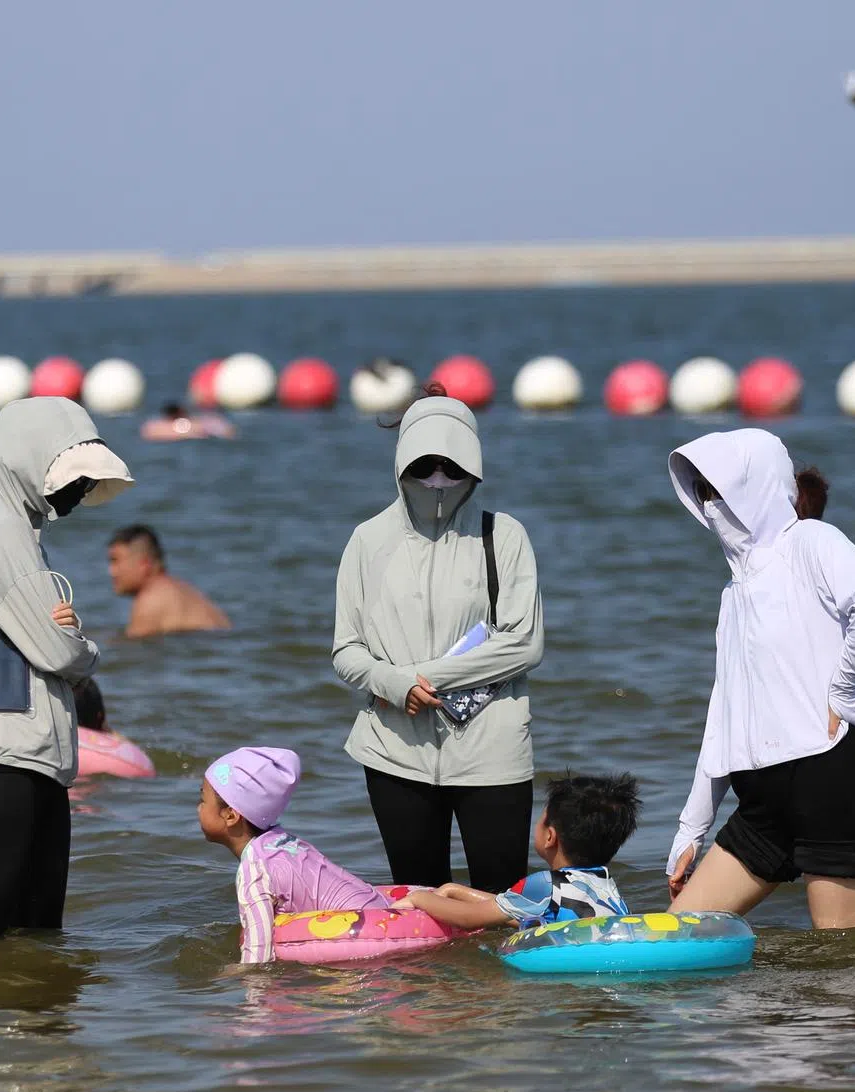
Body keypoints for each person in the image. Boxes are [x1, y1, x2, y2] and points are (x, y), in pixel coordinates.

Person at [664, 429, 855, 930]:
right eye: (703, 493)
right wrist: (692, 828)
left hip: (834, 778)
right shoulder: (733, 594)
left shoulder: (809, 541)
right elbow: (723, 712)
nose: (710, 506)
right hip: (763, 802)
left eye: (720, 491)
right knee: (676, 937)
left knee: (840, 975)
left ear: (757, 489)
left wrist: (843, 687)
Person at [332, 384, 544, 894]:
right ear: (401, 465)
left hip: (492, 750)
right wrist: (394, 684)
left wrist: (426, 678)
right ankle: (433, 982)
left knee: (502, 907)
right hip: (393, 750)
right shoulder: (367, 540)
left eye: (452, 468)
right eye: (424, 467)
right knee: (420, 908)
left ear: (473, 468)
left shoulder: (504, 534)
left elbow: (525, 643)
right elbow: (346, 649)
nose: (438, 481)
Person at [0, 397, 133, 937]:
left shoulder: (20, 537)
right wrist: (85, 648)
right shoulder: (0, 535)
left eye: (83, 483)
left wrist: (66, 637)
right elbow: (59, 653)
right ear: (26, 465)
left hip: (30, 759)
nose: (78, 494)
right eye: (70, 480)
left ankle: (38, 1022)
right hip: (4, 760)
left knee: (38, 934)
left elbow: (47, 638)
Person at [198, 746, 385, 964]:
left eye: (202, 800)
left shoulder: (255, 867)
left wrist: (240, 983)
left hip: (365, 933)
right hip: (377, 909)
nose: (198, 809)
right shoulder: (282, 842)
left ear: (231, 815)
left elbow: (259, 954)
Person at [395, 774, 640, 930]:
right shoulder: (605, 884)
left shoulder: (544, 884)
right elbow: (524, 909)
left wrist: (421, 898)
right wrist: (454, 890)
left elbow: (468, 919)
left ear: (549, 836)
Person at [107, 524, 231, 637]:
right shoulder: (180, 590)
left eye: (115, 561)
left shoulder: (151, 600)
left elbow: (133, 653)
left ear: (143, 565)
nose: (111, 571)